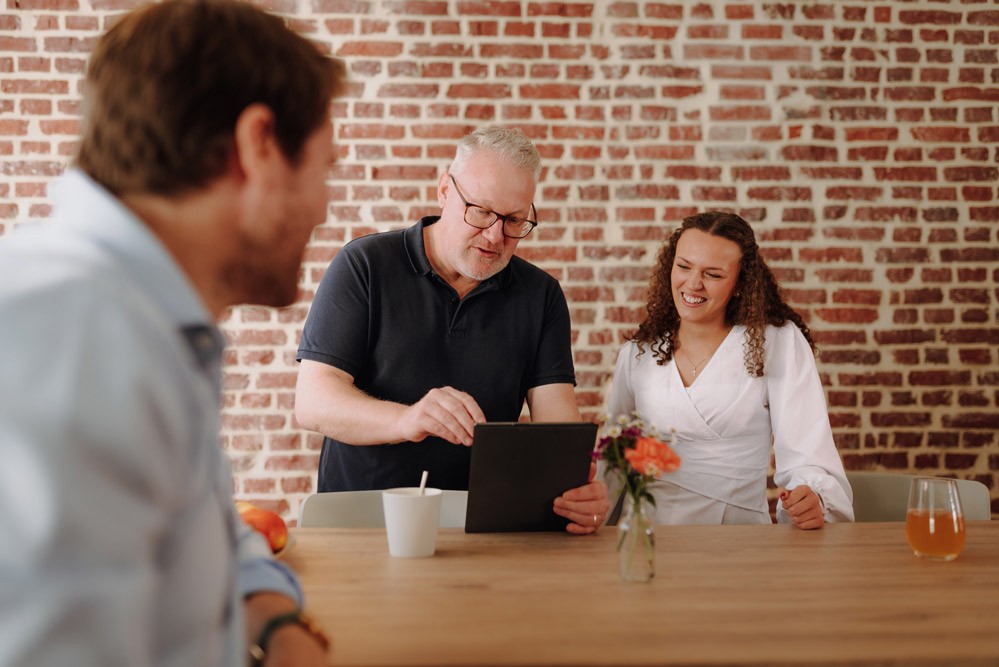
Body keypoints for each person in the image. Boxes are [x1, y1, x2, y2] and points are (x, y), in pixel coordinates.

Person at [0, 1, 346, 665]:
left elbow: (208, 526)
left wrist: (274, 623)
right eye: (325, 167)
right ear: (260, 145)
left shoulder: (139, 323)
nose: (324, 205)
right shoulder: (78, 347)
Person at [295, 125, 610, 534]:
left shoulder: (541, 294)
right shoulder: (365, 265)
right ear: (445, 190)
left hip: (483, 525)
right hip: (363, 521)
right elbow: (314, 401)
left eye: (514, 220)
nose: (495, 236)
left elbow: (558, 428)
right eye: (480, 211)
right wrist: (409, 420)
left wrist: (577, 489)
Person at [602, 211, 854, 529]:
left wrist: (812, 497)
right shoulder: (637, 354)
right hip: (647, 534)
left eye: (714, 274)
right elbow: (614, 456)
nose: (693, 284)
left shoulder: (775, 342)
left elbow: (808, 447)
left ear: (739, 284)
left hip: (737, 537)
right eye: (683, 267)